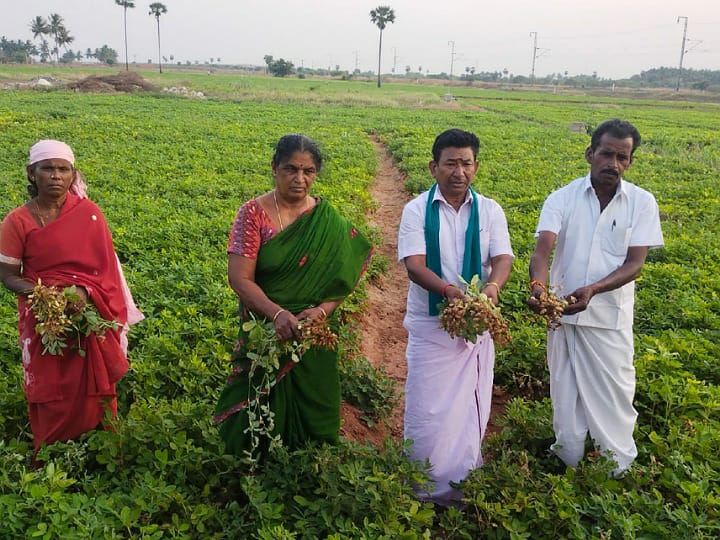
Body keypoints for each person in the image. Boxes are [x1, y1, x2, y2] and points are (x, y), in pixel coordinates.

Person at [213, 134, 373, 458]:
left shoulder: (325, 219)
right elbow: (239, 278)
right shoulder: (253, 214)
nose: (300, 179)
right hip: (265, 327)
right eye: (291, 169)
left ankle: (310, 463)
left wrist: (323, 312)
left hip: (314, 331)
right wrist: (277, 314)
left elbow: (344, 277)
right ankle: (252, 463)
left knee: (316, 396)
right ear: (274, 168)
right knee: (256, 394)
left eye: (308, 171)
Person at [528, 119, 664, 475]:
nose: (613, 164)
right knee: (565, 397)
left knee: (614, 401)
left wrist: (594, 289)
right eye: (606, 154)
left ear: (630, 161)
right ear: (590, 153)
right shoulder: (562, 198)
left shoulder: (641, 203)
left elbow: (635, 264)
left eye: (622, 157)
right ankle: (567, 463)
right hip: (562, 319)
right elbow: (542, 250)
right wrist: (539, 289)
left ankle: (615, 474)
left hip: (609, 321)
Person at [0, 140, 143, 455]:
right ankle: (51, 450)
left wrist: (84, 291)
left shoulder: (89, 214)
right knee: (49, 383)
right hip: (44, 316)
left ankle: (100, 448)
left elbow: (104, 269)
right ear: (31, 173)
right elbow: (8, 275)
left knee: (95, 379)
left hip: (87, 313)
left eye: (63, 169)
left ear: (73, 174)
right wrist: (41, 293)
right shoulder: (17, 221)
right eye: (47, 168)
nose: (55, 176)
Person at [398, 128, 513, 505]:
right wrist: (449, 292)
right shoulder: (416, 209)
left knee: (468, 407)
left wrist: (491, 289)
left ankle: (461, 483)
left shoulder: (491, 210)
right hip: (432, 324)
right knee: (427, 407)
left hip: (475, 325)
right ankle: (421, 487)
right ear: (434, 167)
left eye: (466, 163)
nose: (458, 171)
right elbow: (414, 265)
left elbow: (502, 258)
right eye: (450, 163)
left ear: (476, 167)